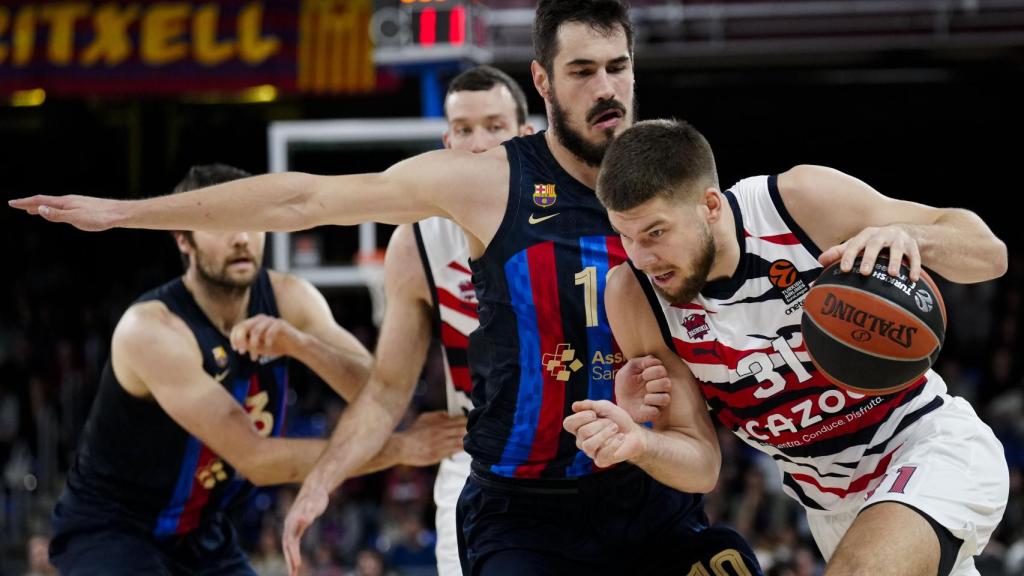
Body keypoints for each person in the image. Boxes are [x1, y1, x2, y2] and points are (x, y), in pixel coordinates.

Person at [10, 2, 763, 575]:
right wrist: (127, 213)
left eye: (618, 67)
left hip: (647, 486)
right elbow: (305, 201)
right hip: (524, 503)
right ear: (543, 82)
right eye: (582, 71)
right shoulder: (485, 184)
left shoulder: (675, 178)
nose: (606, 89)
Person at [574, 119, 1009, 576]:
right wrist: (640, 442)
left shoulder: (797, 203)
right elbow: (702, 465)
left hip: (925, 445)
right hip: (831, 509)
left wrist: (912, 236)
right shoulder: (634, 295)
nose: (641, 256)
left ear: (710, 206)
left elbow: (989, 253)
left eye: (656, 233)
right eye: (625, 235)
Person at [45, 164, 464, 575]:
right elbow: (257, 461)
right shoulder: (151, 330)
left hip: (202, 534)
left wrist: (303, 346)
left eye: (251, 221)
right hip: (113, 529)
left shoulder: (290, 297)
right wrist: (400, 449)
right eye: (222, 225)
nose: (242, 238)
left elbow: (378, 393)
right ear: (183, 238)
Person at [340, 65, 533, 576]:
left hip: (583, 446)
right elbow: (387, 387)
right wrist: (319, 484)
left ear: (526, 135)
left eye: (494, 126)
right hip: (478, 457)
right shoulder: (417, 240)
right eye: (464, 130)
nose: (478, 143)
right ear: (447, 144)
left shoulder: (577, 214)